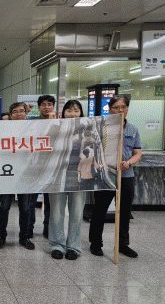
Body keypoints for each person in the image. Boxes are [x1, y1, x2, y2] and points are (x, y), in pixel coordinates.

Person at [89, 95, 142, 258]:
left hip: (126, 176)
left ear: (127, 109)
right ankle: (96, 243)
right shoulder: (101, 127)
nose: (120, 110)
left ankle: (122, 244)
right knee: (100, 210)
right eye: (116, 107)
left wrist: (129, 163)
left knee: (125, 211)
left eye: (123, 107)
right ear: (110, 109)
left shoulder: (133, 130)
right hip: (105, 175)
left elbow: (138, 153)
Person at [0, 102, 36, 251]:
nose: (19, 114)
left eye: (21, 111)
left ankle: (24, 237)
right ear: (11, 115)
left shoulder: (32, 128)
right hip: (8, 174)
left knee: (25, 208)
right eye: (15, 112)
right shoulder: (5, 128)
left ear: (26, 113)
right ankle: (1, 236)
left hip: (25, 174)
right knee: (4, 206)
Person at [48, 100, 87, 260]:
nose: (72, 114)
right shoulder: (56, 127)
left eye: (76, 111)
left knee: (76, 213)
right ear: (63, 113)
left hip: (80, 177)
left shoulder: (88, 129)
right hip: (57, 176)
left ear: (81, 113)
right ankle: (57, 245)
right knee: (56, 213)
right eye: (69, 110)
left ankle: (73, 247)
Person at [29, 94, 56, 239]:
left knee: (50, 201)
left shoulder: (60, 122)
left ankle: (48, 228)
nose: (47, 107)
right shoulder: (32, 122)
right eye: (44, 104)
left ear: (53, 106)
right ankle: (29, 228)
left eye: (49, 104)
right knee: (31, 200)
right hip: (35, 166)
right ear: (39, 107)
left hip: (52, 167)